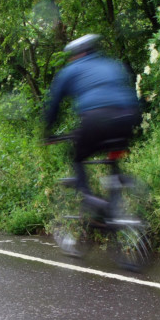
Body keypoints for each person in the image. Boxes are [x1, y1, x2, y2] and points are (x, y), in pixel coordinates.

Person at [44, 34, 140, 209]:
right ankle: (115, 205)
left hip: (96, 118)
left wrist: (47, 132)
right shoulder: (112, 64)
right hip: (128, 117)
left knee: (77, 157)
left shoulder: (71, 70)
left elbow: (54, 105)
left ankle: (89, 199)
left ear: (77, 54)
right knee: (113, 154)